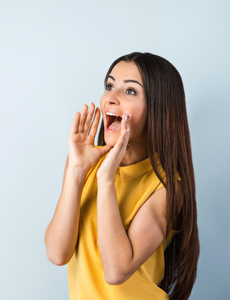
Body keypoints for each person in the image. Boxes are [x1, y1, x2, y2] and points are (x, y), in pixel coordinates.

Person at [45, 52, 199, 300]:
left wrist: (106, 180)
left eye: (130, 91)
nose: (111, 99)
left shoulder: (166, 189)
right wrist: (76, 171)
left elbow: (116, 271)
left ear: (158, 109)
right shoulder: (85, 164)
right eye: (110, 86)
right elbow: (57, 253)